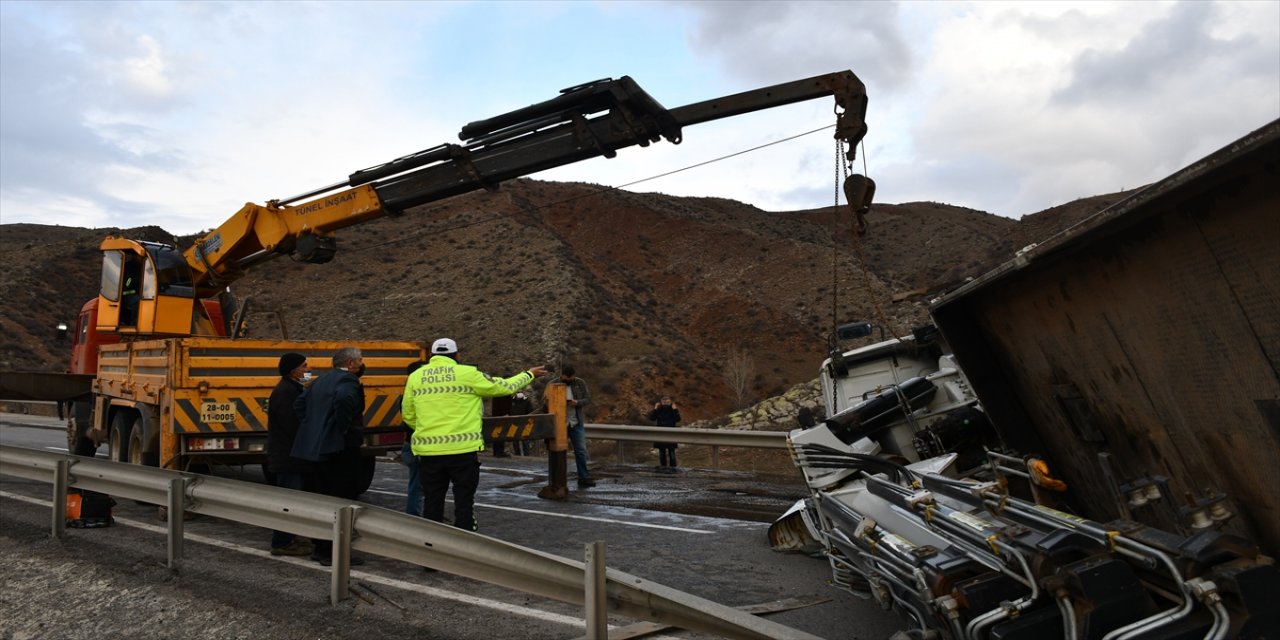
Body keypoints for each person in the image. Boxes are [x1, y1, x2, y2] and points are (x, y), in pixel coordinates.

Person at [403, 338, 546, 531]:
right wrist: (529, 374)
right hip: (462, 451)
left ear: (431, 356)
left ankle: (432, 542)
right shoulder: (468, 373)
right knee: (464, 500)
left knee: (432, 501)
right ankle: (466, 539)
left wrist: (428, 430)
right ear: (456, 356)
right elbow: (503, 387)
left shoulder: (415, 377)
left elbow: (408, 414)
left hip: (429, 453)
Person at [293, 346, 367, 566]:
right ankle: (333, 552)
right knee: (341, 499)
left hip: (317, 449)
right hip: (338, 449)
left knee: (321, 497)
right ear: (351, 363)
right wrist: (342, 428)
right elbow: (344, 400)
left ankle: (320, 547)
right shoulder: (348, 381)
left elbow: (299, 404)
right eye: (360, 360)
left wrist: (313, 425)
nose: (362, 363)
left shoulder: (321, 380)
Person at [267, 352, 316, 556]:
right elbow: (293, 425)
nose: (308, 369)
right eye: (304, 366)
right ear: (293, 371)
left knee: (293, 499)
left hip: (290, 455)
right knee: (288, 501)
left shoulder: (292, 389)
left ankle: (290, 538)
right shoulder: (286, 393)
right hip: (288, 457)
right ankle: (282, 542)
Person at [557, 365, 596, 488]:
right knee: (559, 452)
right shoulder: (553, 384)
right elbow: (545, 401)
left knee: (580, 451)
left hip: (576, 422)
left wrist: (577, 402)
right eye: (566, 378)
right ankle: (558, 478)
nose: (568, 380)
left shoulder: (580, 383)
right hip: (560, 424)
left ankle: (583, 477)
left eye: (570, 378)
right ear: (562, 375)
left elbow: (588, 399)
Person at [402, 360, 427, 516]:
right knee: (418, 485)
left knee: (417, 483)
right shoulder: (416, 397)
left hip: (410, 444)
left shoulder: (407, 395)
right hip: (417, 446)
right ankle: (414, 517)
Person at [648, 395, 681, 474]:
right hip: (662, 434)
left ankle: (673, 469)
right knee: (662, 452)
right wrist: (655, 408)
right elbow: (652, 418)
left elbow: (678, 419)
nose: (666, 404)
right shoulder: (659, 410)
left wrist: (675, 409)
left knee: (671, 452)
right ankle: (664, 468)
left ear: (670, 402)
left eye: (667, 402)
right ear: (661, 402)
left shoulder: (672, 410)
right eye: (664, 402)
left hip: (670, 434)